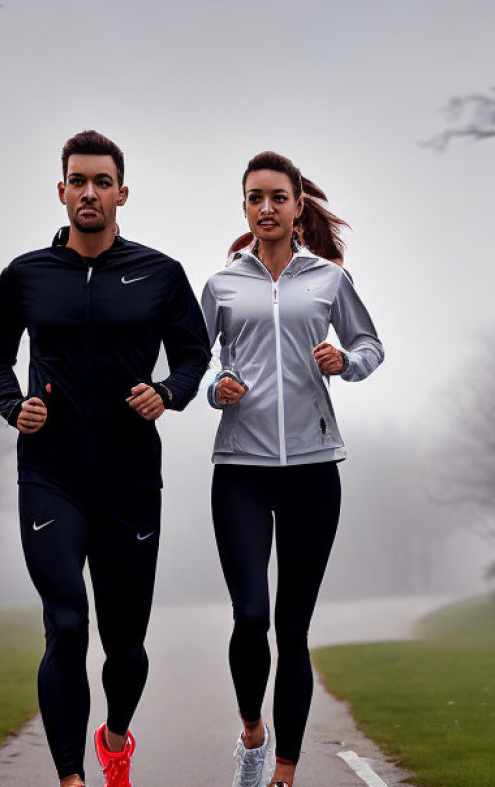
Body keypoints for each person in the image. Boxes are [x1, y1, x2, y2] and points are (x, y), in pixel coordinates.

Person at [0, 130, 209, 787]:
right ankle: (72, 779)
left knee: (125, 643)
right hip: (49, 474)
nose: (88, 192)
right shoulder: (26, 275)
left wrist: (167, 394)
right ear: (62, 190)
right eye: (77, 181)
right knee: (67, 624)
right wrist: (13, 405)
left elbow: (194, 357)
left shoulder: (160, 274)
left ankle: (113, 736)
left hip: (131, 478)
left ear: (121, 193)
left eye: (101, 181)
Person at [201, 151, 384, 787]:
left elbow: (370, 345)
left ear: (298, 205)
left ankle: (282, 772)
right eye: (256, 197)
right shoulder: (223, 284)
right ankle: (253, 732)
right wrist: (218, 382)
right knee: (250, 615)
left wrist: (345, 363)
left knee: (291, 626)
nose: (267, 208)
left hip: (312, 470)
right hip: (241, 471)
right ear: (245, 206)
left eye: (279, 197)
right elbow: (197, 361)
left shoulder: (327, 280)